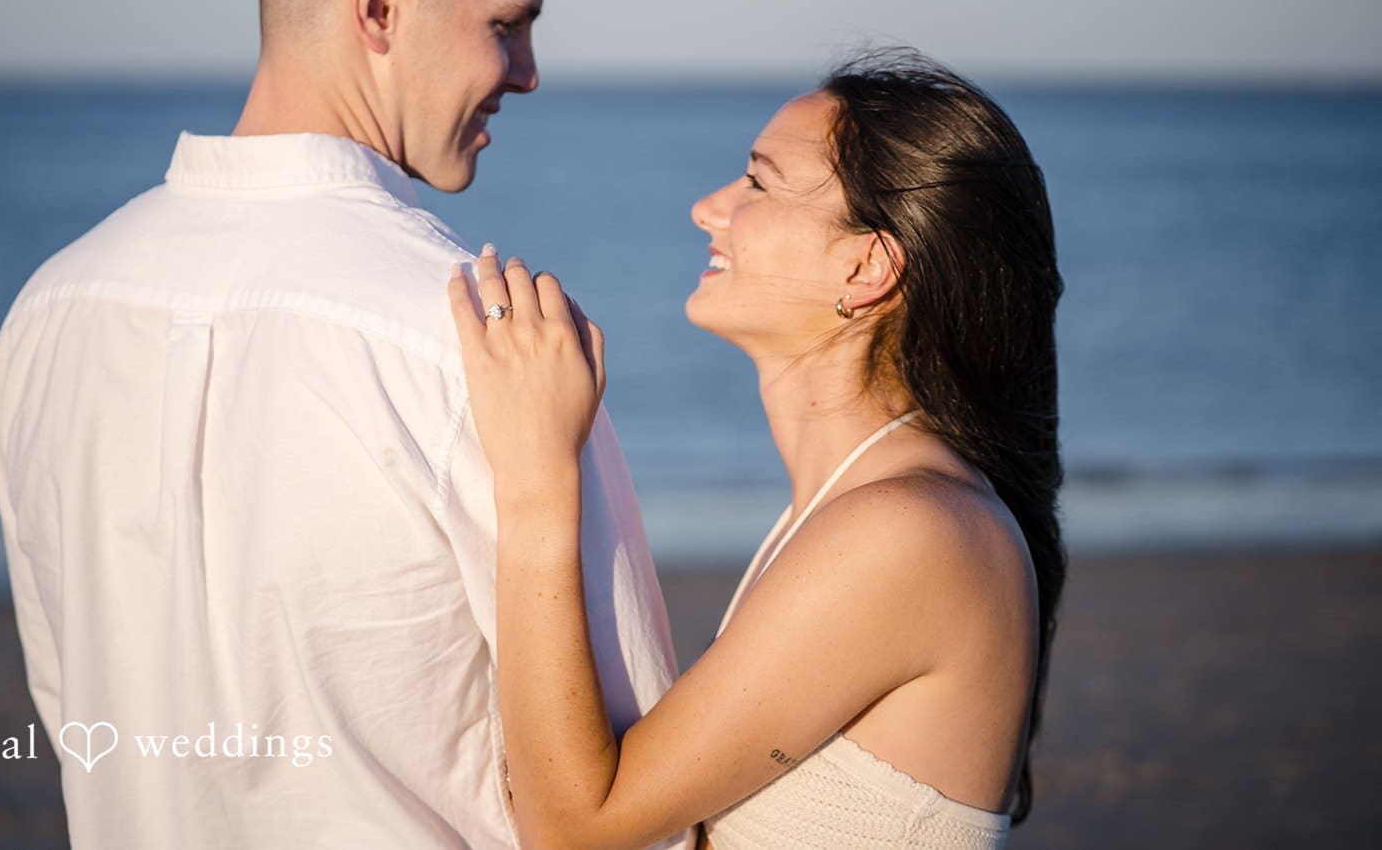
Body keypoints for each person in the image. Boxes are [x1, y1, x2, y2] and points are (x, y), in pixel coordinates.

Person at [0, 0, 689, 847]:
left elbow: (79, 711)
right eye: (507, 23)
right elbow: (634, 803)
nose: (527, 74)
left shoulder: (46, 316)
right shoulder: (485, 347)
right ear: (381, 6)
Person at [449, 51, 1066, 849]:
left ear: (866, 265)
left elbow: (574, 827)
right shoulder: (863, 508)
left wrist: (537, 475)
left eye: (759, 184)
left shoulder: (909, 530)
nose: (708, 207)